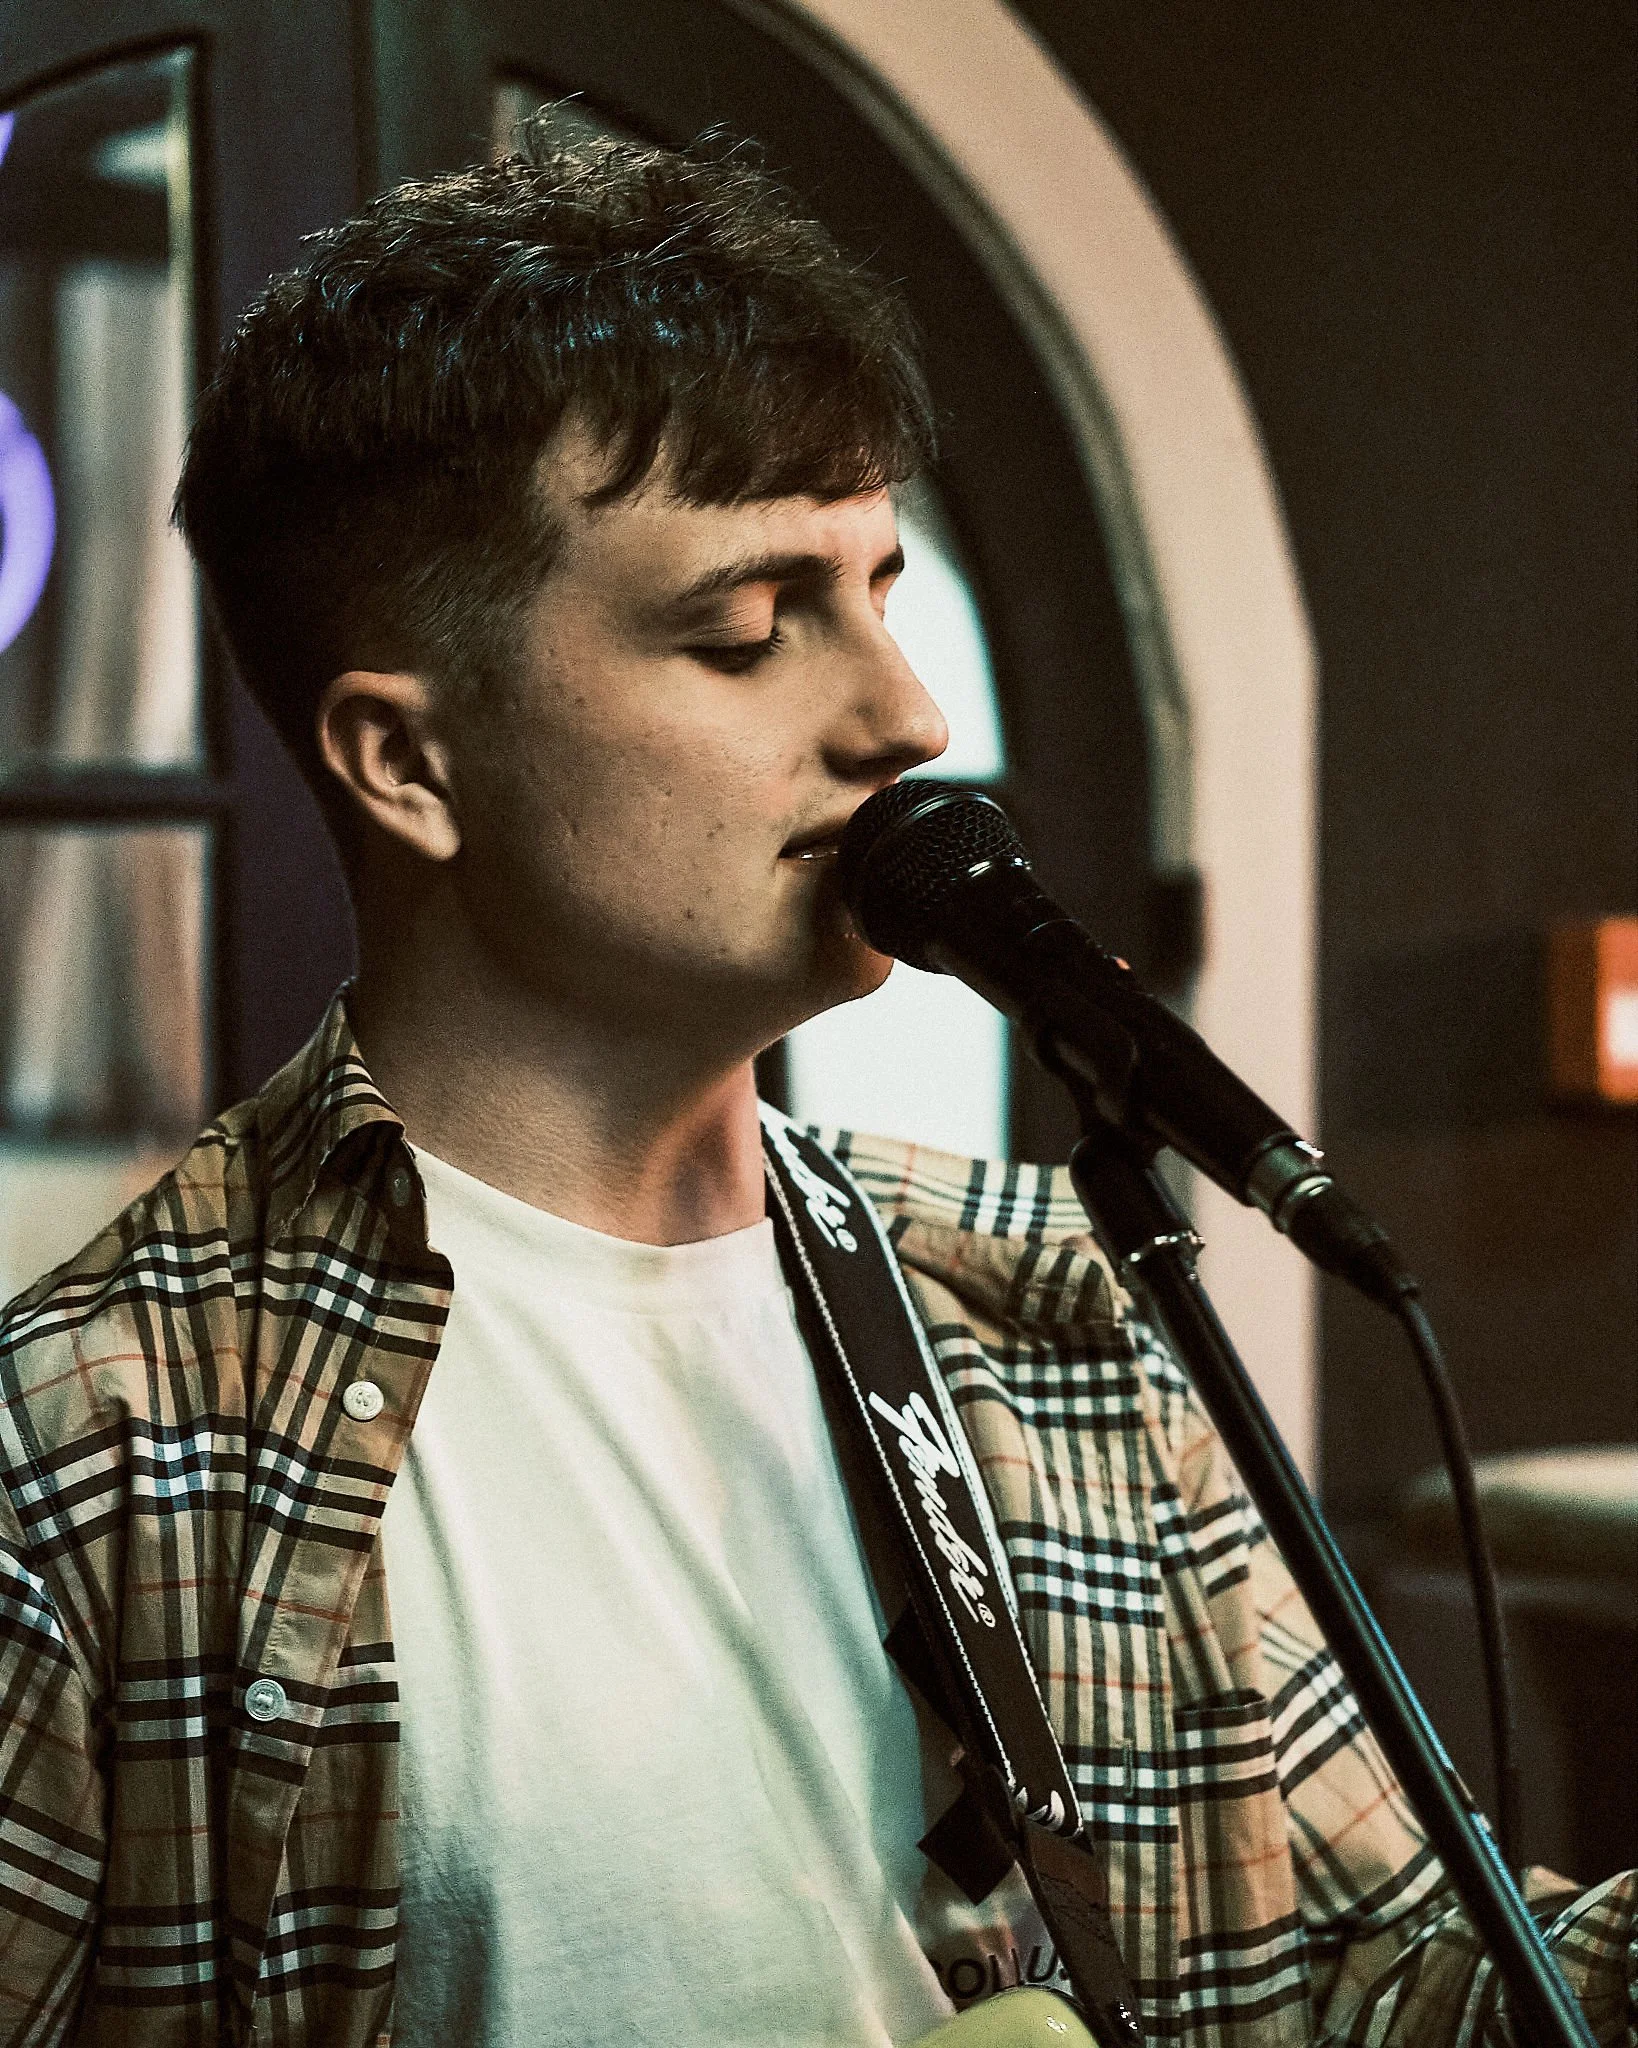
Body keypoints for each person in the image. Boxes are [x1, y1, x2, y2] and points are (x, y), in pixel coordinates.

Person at [0, 126, 1628, 2048]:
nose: (905, 718)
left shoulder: (1034, 1312)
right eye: (751, 629)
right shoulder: (100, 1446)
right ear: (406, 766)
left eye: (881, 587)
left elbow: (1390, 1989)